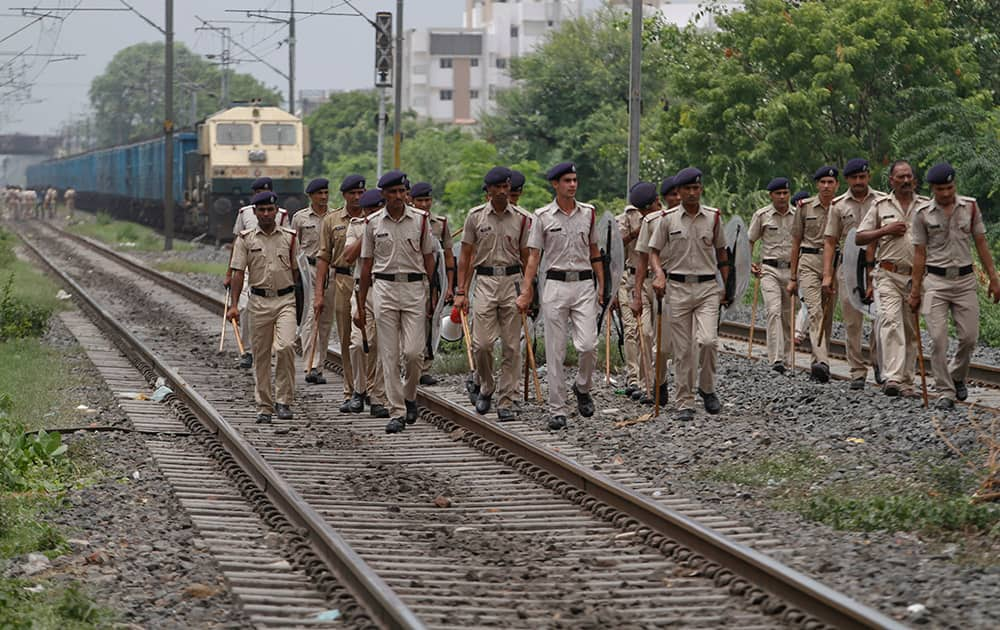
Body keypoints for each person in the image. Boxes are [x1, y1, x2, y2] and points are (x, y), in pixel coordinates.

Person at [516, 161, 604, 431]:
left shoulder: (588, 213)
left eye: (575, 180)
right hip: (554, 284)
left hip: (583, 284)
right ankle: (557, 409)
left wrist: (603, 285)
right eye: (567, 180)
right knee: (555, 350)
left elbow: (594, 251)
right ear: (555, 184)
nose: (573, 185)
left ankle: (582, 387)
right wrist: (526, 289)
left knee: (588, 345)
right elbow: (533, 257)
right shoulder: (542, 216)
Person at [909, 163, 1000, 409]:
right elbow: (919, 254)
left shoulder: (969, 207)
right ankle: (945, 392)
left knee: (969, 337)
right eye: (941, 189)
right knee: (938, 339)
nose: (946, 193)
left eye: (950, 187)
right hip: (935, 283)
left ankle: (957, 375)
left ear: (955, 185)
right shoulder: (922, 214)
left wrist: (994, 278)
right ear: (932, 189)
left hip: (965, 281)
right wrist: (915, 291)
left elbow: (981, 243)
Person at [356, 170, 436, 434]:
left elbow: (429, 259)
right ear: (384, 195)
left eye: (402, 192)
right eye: (393, 192)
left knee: (413, 353)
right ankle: (397, 411)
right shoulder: (372, 224)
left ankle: (410, 395)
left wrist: (432, 291)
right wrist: (360, 304)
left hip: (414, 289)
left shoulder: (421, 221)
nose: (399, 197)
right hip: (384, 289)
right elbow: (366, 266)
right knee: (389, 355)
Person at [647, 167, 730, 422]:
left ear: (701, 189)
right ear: (679, 192)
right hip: (678, 288)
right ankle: (685, 401)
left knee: (707, 341)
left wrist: (725, 285)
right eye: (687, 189)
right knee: (682, 350)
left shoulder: (714, 218)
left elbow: (722, 254)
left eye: (696, 188)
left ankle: (707, 388)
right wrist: (659, 274)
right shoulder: (667, 219)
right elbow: (653, 252)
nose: (693, 193)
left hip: (707, 288)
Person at [455, 167, 532, 421]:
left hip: (513, 282)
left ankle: (506, 399)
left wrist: (530, 289)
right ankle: (486, 385)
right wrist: (461, 291)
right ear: (487, 190)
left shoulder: (521, 218)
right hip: (485, 281)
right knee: (482, 345)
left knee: (512, 347)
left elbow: (526, 257)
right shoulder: (475, 217)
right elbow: (465, 255)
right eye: (497, 187)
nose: (502, 192)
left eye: (506, 187)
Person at [227, 191, 300, 423]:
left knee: (286, 347)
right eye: (262, 210)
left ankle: (284, 401)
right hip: (258, 302)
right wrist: (234, 305)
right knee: (260, 356)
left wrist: (302, 305)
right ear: (255, 212)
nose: (267, 214)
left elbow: (299, 275)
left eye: (270, 210)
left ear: (277, 211)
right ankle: (264, 407)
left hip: (286, 300)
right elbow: (238, 273)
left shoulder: (290, 238)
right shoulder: (245, 239)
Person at [856, 160, 925, 397]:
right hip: (887, 274)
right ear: (891, 181)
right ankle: (892, 377)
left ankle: (907, 381)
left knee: (909, 329)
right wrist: (886, 230)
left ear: (914, 180)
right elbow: (860, 237)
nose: (905, 181)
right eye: (900, 177)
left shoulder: (926, 206)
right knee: (890, 321)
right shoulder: (880, 206)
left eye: (909, 177)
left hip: (916, 277)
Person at [823, 158, 883, 389]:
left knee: (881, 317)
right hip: (848, 266)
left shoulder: (881, 201)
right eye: (854, 178)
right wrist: (827, 274)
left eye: (863, 177)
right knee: (852, 321)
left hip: (877, 265)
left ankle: (879, 363)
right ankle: (857, 371)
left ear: (868, 177)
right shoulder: (838, 206)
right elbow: (830, 241)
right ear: (847, 180)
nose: (859, 182)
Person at [312, 176, 364, 412]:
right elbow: (323, 257)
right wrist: (319, 293)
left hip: (370, 280)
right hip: (343, 280)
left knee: (370, 339)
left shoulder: (373, 217)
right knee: (346, 338)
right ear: (344, 195)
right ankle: (350, 390)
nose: (357, 197)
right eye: (352, 193)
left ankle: (371, 388)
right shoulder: (332, 220)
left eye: (360, 193)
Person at [226, 177, 290, 369]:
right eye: (258, 192)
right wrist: (229, 272)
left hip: (273, 267)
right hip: (247, 268)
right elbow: (236, 243)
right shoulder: (244, 213)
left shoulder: (282, 215)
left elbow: (289, 242)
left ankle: (269, 347)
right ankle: (247, 351)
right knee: (245, 308)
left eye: (266, 191)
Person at [630, 176, 681, 404]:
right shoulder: (651, 222)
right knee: (646, 335)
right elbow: (641, 261)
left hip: (673, 286)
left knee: (664, 346)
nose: (677, 199)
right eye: (673, 195)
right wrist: (637, 293)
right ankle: (648, 386)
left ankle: (660, 382)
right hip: (650, 284)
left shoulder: (688, 221)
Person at [788, 167, 839, 382]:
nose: (826, 186)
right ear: (817, 185)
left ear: (837, 184)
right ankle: (824, 362)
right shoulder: (804, 207)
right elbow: (796, 241)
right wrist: (792, 277)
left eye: (830, 182)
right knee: (814, 310)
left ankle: (816, 364)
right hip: (808, 262)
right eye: (823, 182)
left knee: (827, 316)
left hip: (835, 263)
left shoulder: (841, 207)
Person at [346, 188, 390, 418]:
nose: (372, 214)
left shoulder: (393, 228)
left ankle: (378, 397)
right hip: (360, 290)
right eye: (368, 210)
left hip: (384, 289)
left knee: (383, 346)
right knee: (358, 343)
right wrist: (369, 231)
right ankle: (359, 390)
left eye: (376, 209)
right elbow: (348, 256)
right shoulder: (356, 226)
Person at [617, 182, 660, 404]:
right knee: (639, 332)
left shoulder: (666, 217)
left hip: (661, 280)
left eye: (649, 207)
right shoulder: (626, 218)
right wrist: (636, 231)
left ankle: (655, 382)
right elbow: (615, 247)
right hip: (634, 279)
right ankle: (638, 381)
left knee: (660, 338)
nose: (646, 212)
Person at [409, 182, 455, 386]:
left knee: (430, 322)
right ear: (412, 200)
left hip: (433, 280)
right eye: (420, 200)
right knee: (410, 324)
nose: (425, 204)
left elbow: (449, 257)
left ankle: (424, 367)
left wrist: (450, 287)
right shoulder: (407, 222)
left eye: (428, 200)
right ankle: (409, 364)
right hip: (410, 279)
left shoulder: (440, 224)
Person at [749, 177, 796, 373]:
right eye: (778, 193)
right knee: (773, 310)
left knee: (788, 315)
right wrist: (749, 262)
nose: (782, 197)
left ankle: (787, 359)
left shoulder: (798, 214)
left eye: (785, 193)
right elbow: (749, 240)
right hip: (769, 269)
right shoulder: (762, 215)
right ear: (771, 195)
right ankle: (775, 359)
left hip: (792, 271)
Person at [293, 178, 335, 386]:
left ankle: (319, 366)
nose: (324, 197)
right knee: (310, 316)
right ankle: (310, 365)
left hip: (332, 270)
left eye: (326, 193)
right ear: (310, 196)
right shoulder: (299, 218)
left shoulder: (335, 217)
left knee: (326, 320)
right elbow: (294, 246)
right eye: (319, 193)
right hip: (308, 269)